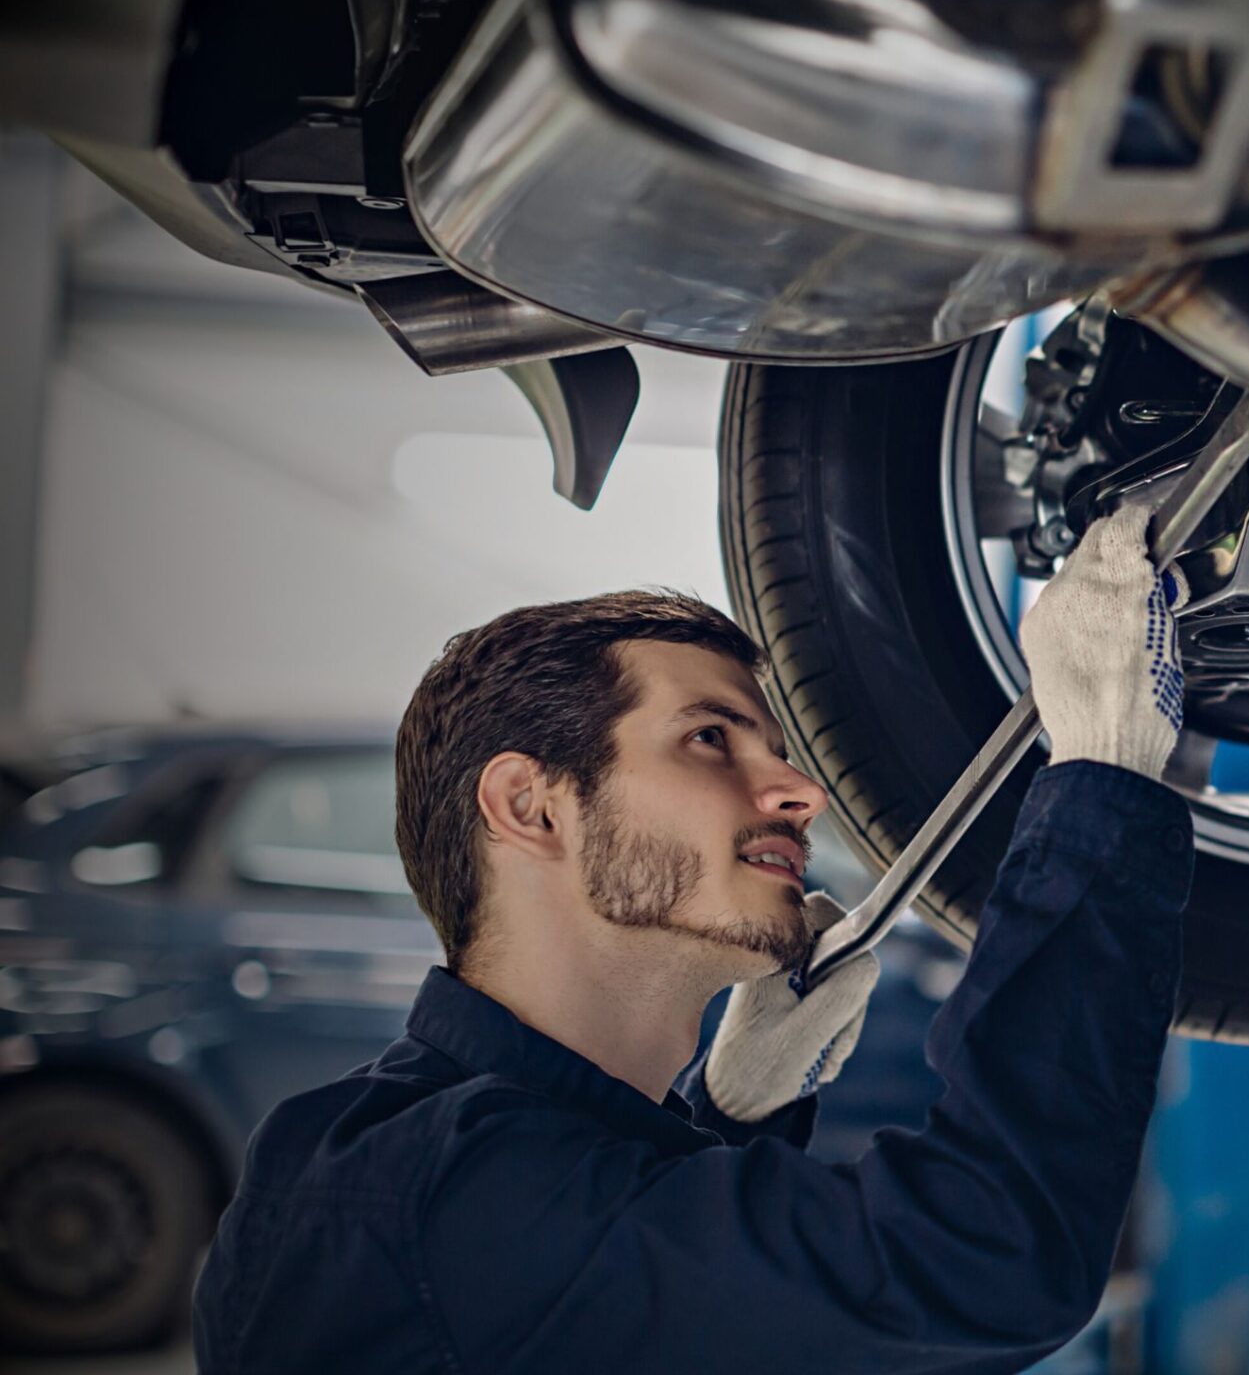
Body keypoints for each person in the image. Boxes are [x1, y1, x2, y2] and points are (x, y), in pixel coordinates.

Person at [192, 508, 1192, 1374]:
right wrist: (1100, 776)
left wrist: (729, 1118)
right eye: (709, 738)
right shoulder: (441, 1193)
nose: (799, 793)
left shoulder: (401, 1156)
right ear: (530, 806)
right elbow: (990, 1259)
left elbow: (627, 1302)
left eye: (777, 751)